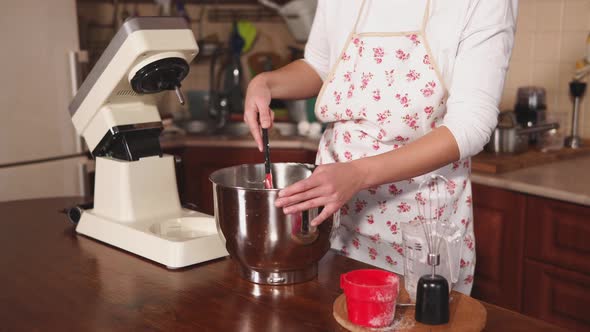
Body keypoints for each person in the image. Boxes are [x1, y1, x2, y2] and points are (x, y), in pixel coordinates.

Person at [243, 0, 517, 295]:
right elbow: (321, 67)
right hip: (336, 213)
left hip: (420, 223)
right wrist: (266, 82)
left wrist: (358, 175)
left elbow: (471, 125)